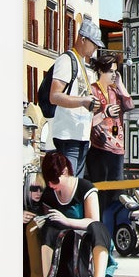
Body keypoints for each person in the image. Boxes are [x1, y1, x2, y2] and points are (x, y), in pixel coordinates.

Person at [37, 148, 113, 277]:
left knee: (100, 230)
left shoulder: (85, 187)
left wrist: (67, 221)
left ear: (65, 172)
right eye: (49, 181)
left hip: (85, 241)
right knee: (47, 230)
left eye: (55, 181)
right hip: (62, 244)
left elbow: (93, 221)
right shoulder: (50, 194)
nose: (51, 185)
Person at [85, 47, 135, 244]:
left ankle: (113, 232)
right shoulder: (92, 90)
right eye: (110, 71)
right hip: (99, 149)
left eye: (115, 70)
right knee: (102, 193)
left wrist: (121, 85)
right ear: (101, 72)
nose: (114, 74)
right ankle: (101, 233)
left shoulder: (116, 90)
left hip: (118, 148)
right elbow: (88, 121)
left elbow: (130, 106)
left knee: (118, 192)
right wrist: (105, 113)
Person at [45, 16, 102, 177]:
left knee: (74, 185)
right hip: (68, 136)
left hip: (80, 137)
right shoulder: (66, 60)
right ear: (83, 39)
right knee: (69, 183)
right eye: (94, 44)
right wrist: (84, 101)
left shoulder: (81, 63)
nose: (95, 49)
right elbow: (54, 96)